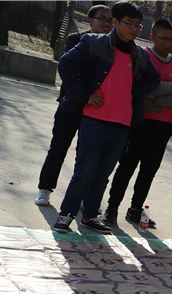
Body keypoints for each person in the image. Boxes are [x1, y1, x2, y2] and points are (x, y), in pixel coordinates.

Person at [51, 2, 159, 235]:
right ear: (115, 22)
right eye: (128, 23)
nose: (133, 29)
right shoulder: (94, 43)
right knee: (85, 172)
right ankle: (66, 214)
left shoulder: (139, 54)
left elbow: (153, 80)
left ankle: (90, 216)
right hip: (94, 120)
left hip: (122, 125)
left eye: (137, 25)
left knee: (102, 176)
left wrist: (133, 93)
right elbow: (66, 65)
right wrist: (84, 95)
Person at [103, 18, 172, 228]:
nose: (169, 43)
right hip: (139, 122)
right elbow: (138, 86)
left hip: (163, 126)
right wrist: (165, 89)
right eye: (164, 38)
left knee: (148, 171)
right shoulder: (142, 55)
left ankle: (135, 210)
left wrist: (156, 99)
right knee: (127, 166)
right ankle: (111, 208)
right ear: (152, 37)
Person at [34, 4, 113, 207]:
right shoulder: (76, 40)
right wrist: (85, 95)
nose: (106, 23)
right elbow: (72, 72)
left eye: (110, 20)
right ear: (90, 20)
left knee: (85, 156)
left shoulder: (113, 46)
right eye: (102, 18)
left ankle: (75, 196)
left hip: (95, 110)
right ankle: (45, 189)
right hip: (71, 104)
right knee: (58, 148)